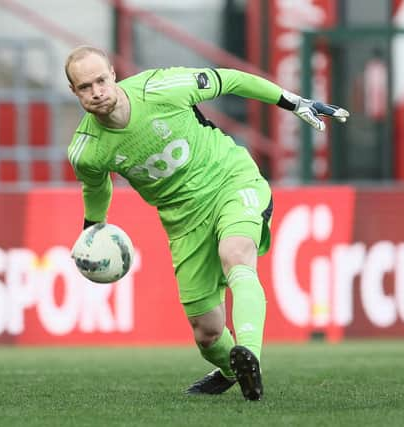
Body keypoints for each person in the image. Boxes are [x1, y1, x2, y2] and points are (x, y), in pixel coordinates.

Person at [65, 46, 349, 401]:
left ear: (113, 72)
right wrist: (92, 231)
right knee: (208, 335)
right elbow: (96, 186)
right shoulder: (87, 150)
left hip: (231, 181)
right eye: (85, 87)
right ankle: (234, 369)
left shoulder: (162, 87)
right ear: (74, 93)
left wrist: (292, 101)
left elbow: (230, 79)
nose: (97, 91)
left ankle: (250, 354)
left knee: (236, 254)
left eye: (101, 80)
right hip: (183, 223)